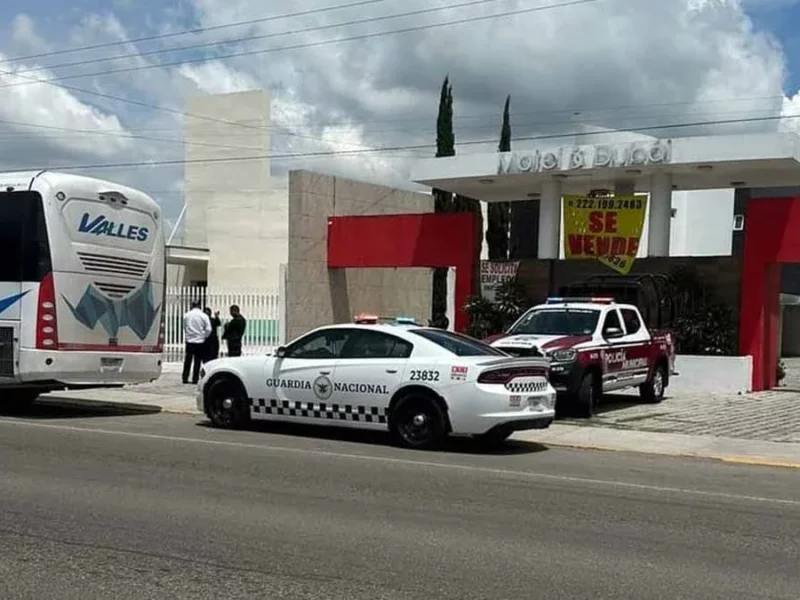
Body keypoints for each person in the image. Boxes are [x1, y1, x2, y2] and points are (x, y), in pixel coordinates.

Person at [182, 301, 211, 384]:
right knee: (197, 361)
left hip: (189, 341)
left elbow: (184, 327)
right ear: (199, 306)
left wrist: (188, 335)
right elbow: (209, 329)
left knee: (188, 360)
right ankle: (195, 378)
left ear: (192, 306)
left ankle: (185, 377)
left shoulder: (186, 315)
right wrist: (204, 336)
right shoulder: (204, 316)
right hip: (200, 341)